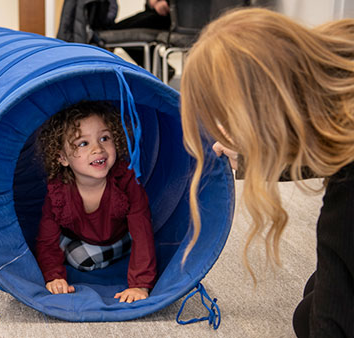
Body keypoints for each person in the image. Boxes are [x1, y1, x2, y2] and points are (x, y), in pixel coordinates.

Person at [179, 8, 353, 337]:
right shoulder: (336, 70)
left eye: (228, 120)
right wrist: (251, 160)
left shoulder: (347, 189)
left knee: (309, 315)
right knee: (315, 290)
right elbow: (322, 144)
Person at [35, 101, 157, 303]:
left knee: (143, 238)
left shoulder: (126, 180)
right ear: (63, 157)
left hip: (120, 237)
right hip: (81, 238)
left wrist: (139, 285)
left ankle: (94, 252)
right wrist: (54, 276)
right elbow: (46, 239)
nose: (98, 149)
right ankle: (72, 249)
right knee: (65, 251)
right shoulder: (58, 192)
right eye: (83, 143)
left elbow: (141, 228)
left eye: (104, 138)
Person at [110, 0, 170, 69]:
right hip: (154, 11)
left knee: (118, 32)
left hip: (172, 16)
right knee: (116, 30)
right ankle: (160, 68)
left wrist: (167, 3)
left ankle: (160, 68)